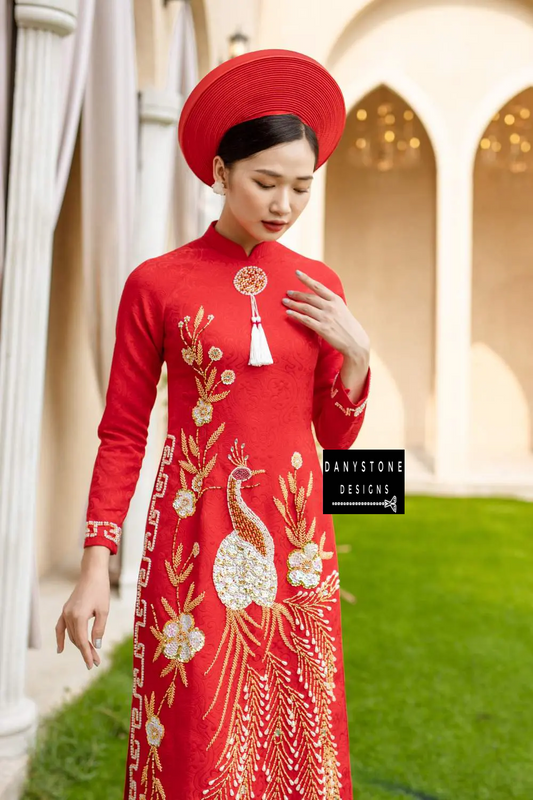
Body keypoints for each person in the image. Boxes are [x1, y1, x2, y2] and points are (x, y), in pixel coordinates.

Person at [56, 48, 371, 799]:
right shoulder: (157, 284)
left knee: (295, 720)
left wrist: (357, 357)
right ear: (219, 172)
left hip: (296, 541)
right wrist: (95, 564)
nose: (283, 204)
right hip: (194, 534)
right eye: (265, 182)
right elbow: (124, 431)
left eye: (301, 187)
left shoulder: (320, 286)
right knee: (201, 713)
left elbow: (336, 438)